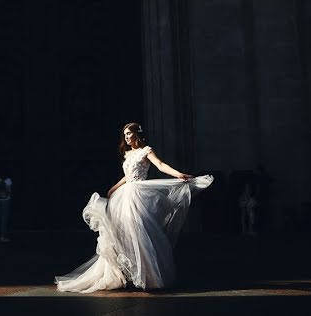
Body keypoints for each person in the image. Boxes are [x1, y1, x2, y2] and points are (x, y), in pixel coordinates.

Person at [55, 123, 213, 292]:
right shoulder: (128, 153)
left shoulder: (146, 151)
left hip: (138, 195)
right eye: (125, 135)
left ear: (138, 134)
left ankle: (148, 276)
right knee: (121, 233)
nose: (127, 137)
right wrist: (114, 188)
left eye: (129, 134)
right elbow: (127, 176)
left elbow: (160, 165)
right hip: (124, 195)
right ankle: (125, 274)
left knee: (139, 233)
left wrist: (178, 174)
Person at [0, 172, 12, 242]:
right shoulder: (8, 180)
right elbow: (9, 191)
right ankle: (3, 237)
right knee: (4, 218)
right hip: (5, 200)